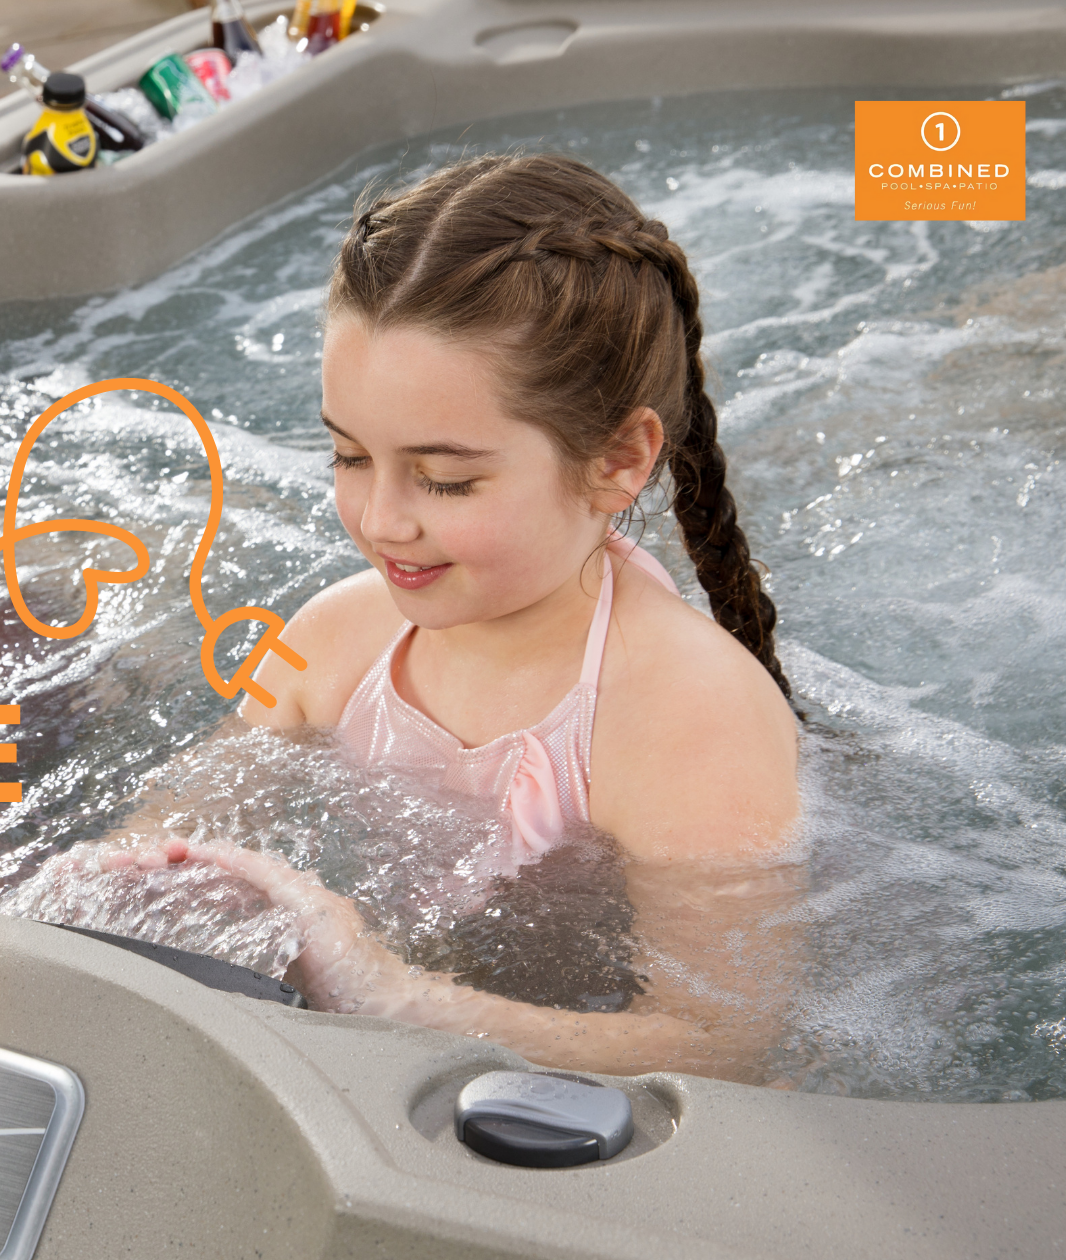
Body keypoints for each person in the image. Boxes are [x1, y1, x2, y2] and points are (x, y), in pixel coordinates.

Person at [90, 153, 804, 1082]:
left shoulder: (688, 714)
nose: (382, 520)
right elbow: (169, 832)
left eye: (445, 478)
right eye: (349, 456)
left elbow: (727, 1047)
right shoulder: (329, 644)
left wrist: (389, 997)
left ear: (619, 460)